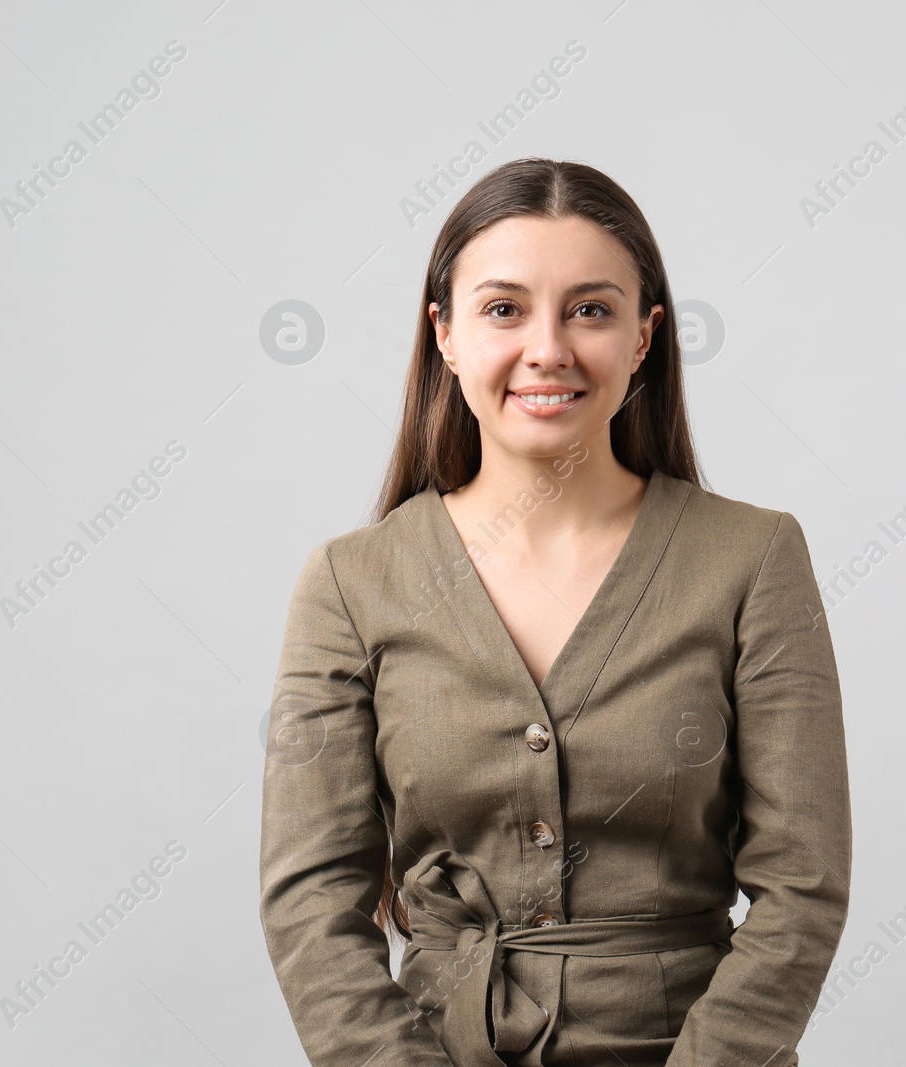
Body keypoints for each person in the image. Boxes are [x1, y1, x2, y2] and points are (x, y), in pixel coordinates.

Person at [259, 157, 851, 1066]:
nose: (549, 348)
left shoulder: (754, 558)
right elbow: (310, 901)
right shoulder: (351, 582)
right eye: (504, 309)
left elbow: (803, 887)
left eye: (590, 309)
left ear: (645, 335)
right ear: (445, 333)